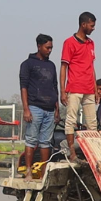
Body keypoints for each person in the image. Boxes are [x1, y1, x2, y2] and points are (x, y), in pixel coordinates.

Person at [19, 33, 60, 181]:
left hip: (50, 109)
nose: (50, 50)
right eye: (47, 47)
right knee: (31, 140)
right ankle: (29, 171)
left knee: (46, 142)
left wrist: (57, 109)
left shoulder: (51, 65)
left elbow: (55, 87)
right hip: (34, 107)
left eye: (51, 48)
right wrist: (26, 109)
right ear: (39, 46)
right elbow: (23, 87)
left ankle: (43, 172)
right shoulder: (27, 64)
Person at [60, 11, 98, 161]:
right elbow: (64, 67)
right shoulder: (69, 42)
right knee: (71, 120)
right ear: (84, 24)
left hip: (89, 88)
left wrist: (95, 88)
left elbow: (91, 66)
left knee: (92, 124)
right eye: (91, 25)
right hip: (75, 87)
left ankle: (92, 155)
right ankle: (72, 153)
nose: (93, 28)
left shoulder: (91, 43)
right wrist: (62, 90)